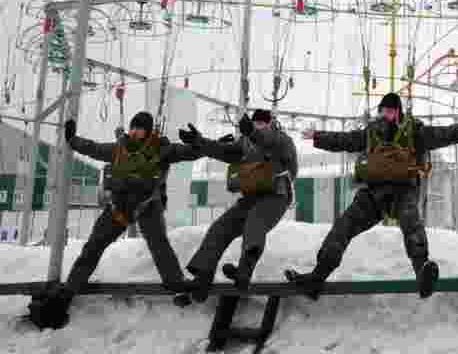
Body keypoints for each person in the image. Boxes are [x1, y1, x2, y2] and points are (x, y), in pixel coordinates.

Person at [285, 92, 458, 300]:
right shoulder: (371, 132)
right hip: (373, 194)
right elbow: (346, 140)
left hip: (403, 191)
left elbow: (447, 134)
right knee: (344, 226)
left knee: (411, 224)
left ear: (398, 112)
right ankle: (317, 278)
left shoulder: (414, 131)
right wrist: (318, 136)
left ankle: (422, 272)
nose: (386, 115)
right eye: (384, 110)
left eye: (391, 111)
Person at [27, 111, 202, 329]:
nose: (135, 131)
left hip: (147, 205)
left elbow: (186, 152)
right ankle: (68, 292)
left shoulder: (162, 148)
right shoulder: (119, 148)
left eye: (140, 128)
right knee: (93, 246)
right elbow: (94, 148)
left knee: (159, 244)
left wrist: (202, 144)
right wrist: (73, 140)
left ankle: (177, 287)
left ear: (148, 131)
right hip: (119, 206)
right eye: (133, 127)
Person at [177, 108, 298, 302]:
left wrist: (252, 132)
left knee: (255, 223)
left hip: (276, 196)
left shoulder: (281, 139)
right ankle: (202, 277)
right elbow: (224, 151)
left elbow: (268, 142)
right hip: (251, 197)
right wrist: (199, 142)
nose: (259, 126)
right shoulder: (245, 142)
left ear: (271, 123)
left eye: (263, 123)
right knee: (220, 228)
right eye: (256, 123)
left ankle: (244, 270)